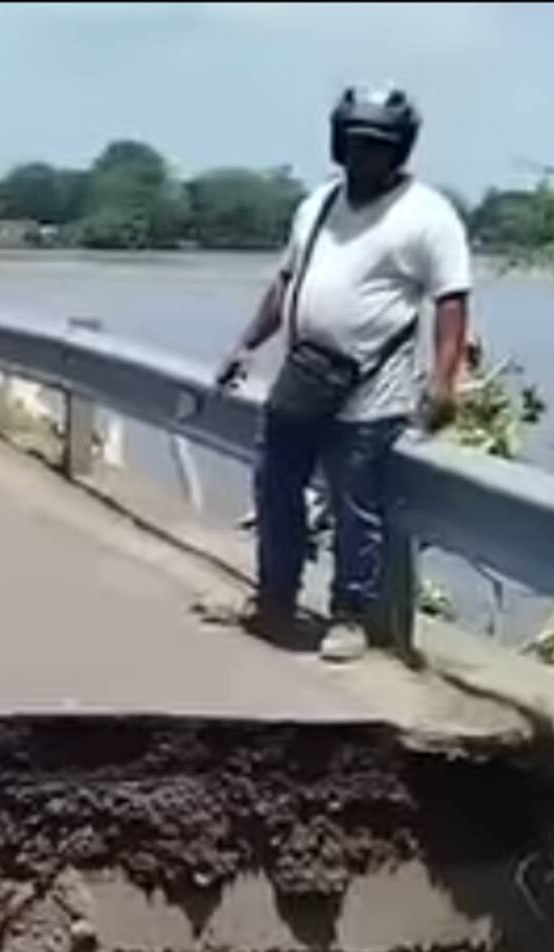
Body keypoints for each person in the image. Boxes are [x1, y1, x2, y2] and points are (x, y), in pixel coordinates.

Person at [217, 85, 471, 663]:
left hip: (371, 392)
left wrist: (443, 382)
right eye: (355, 143)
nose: (364, 155)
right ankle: (275, 600)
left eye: (377, 145)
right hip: (302, 376)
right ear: (338, 144)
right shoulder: (318, 205)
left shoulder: (428, 216)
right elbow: (286, 282)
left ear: (399, 149)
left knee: (356, 507)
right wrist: (247, 343)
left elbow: (451, 302)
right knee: (275, 490)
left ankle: (349, 615)